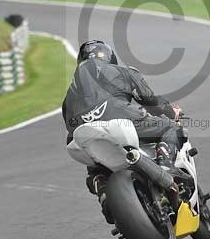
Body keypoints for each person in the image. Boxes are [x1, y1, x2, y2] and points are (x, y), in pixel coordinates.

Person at [62, 40, 181, 221]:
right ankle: (165, 162)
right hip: (124, 122)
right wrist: (172, 112)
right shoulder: (124, 72)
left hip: (84, 135)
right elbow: (150, 101)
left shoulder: (69, 96)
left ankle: (103, 194)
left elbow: (70, 131)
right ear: (111, 58)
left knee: (94, 167)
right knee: (171, 127)